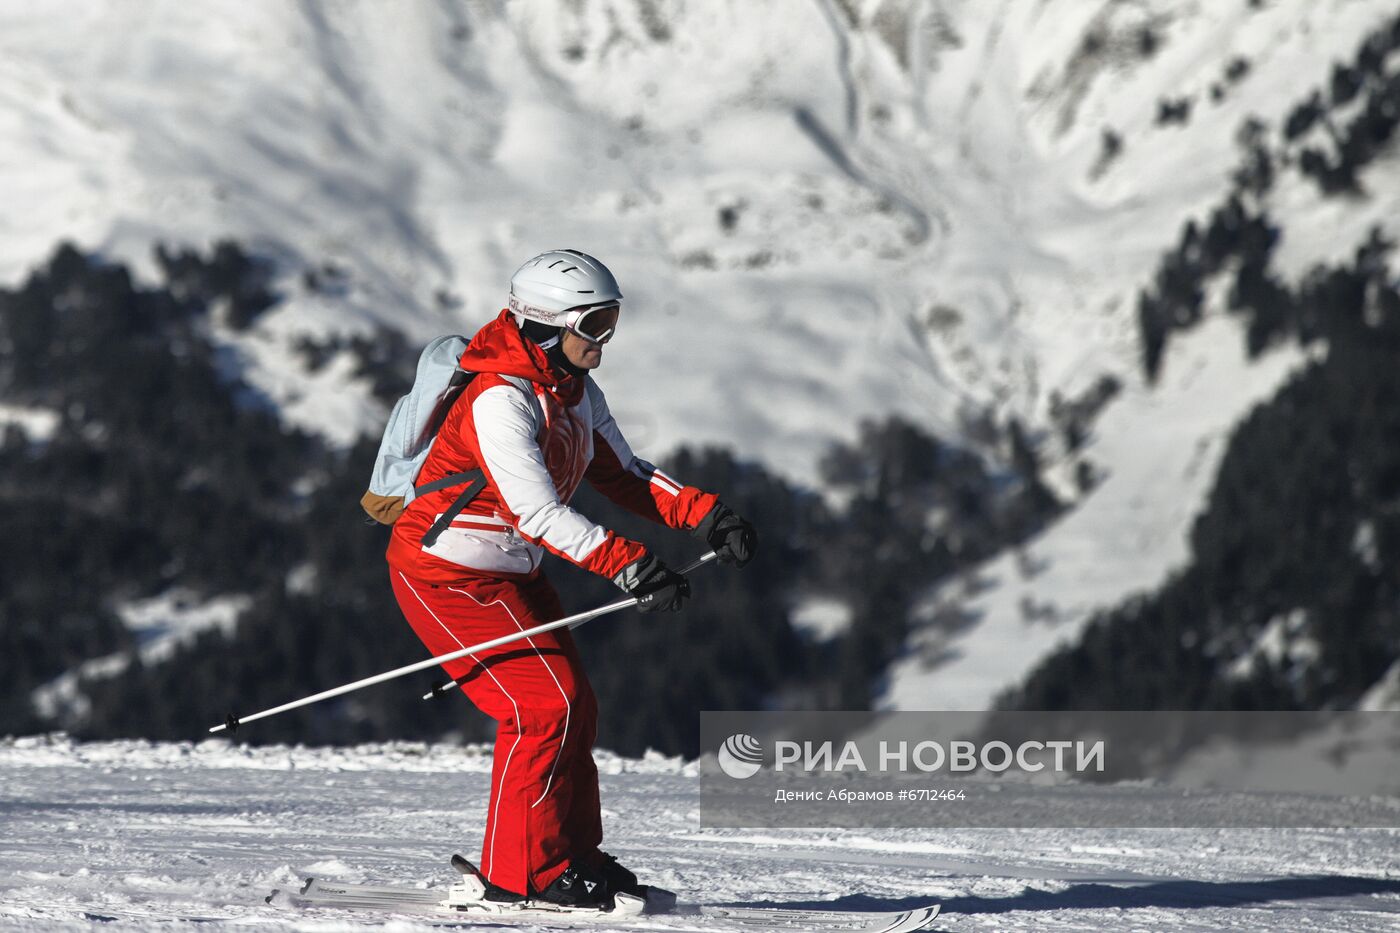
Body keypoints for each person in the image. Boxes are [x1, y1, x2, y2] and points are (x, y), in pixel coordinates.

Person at [385, 249, 756, 909]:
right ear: (546, 325)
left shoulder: (573, 391)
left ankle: (570, 854)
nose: (604, 341)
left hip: (510, 570)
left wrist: (708, 516)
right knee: (539, 707)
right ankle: (523, 872)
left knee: (572, 704)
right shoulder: (500, 399)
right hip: (446, 573)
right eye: (595, 324)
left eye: (611, 322)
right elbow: (536, 511)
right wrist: (629, 564)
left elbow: (623, 471)